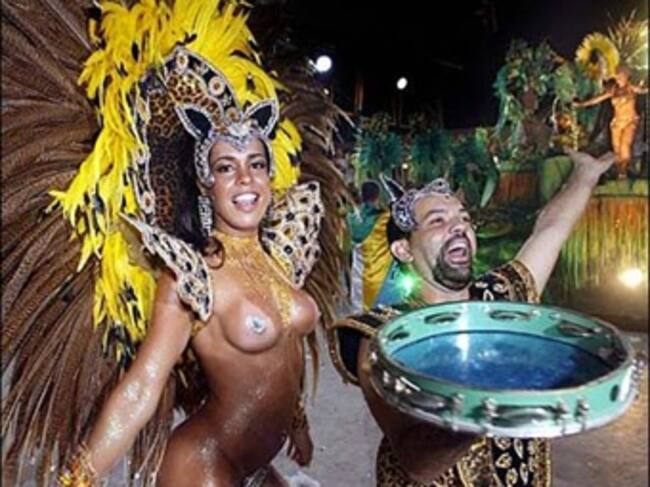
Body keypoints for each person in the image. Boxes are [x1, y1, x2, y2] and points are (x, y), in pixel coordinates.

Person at [1, 1, 345, 486]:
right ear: (207, 185)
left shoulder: (280, 254)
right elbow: (144, 383)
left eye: (256, 164)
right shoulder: (193, 275)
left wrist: (297, 422)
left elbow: (283, 351)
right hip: (202, 464)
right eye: (226, 167)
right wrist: (78, 477)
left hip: (256, 464)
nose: (245, 179)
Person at [327, 148, 615, 485]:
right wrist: (491, 395)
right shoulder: (384, 336)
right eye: (438, 221)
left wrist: (585, 174)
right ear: (403, 249)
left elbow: (550, 229)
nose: (459, 227)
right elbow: (418, 463)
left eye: (464, 219)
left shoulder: (499, 299)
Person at [573, 65, 647, 178]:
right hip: (616, 123)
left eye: (620, 76)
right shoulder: (613, 90)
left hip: (630, 122)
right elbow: (597, 99)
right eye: (617, 76)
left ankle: (623, 171)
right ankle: (619, 172)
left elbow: (643, 90)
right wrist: (581, 104)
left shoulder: (631, 88)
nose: (618, 79)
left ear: (626, 76)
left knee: (625, 146)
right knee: (616, 149)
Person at [346, 180, 393, 312]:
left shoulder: (351, 218)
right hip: (382, 278)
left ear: (362, 195)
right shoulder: (386, 219)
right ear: (378, 195)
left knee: (360, 312)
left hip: (359, 276)